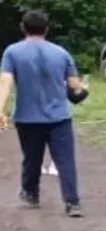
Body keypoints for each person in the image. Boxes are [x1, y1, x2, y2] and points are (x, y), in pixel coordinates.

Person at [0, 9, 85, 217]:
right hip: (59, 118)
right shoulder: (61, 53)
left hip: (27, 118)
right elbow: (74, 87)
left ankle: (31, 193)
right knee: (65, 160)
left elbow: (5, 82)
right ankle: (72, 202)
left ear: (23, 27)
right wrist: (82, 89)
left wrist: (0, 109)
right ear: (46, 29)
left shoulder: (12, 52)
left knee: (31, 157)